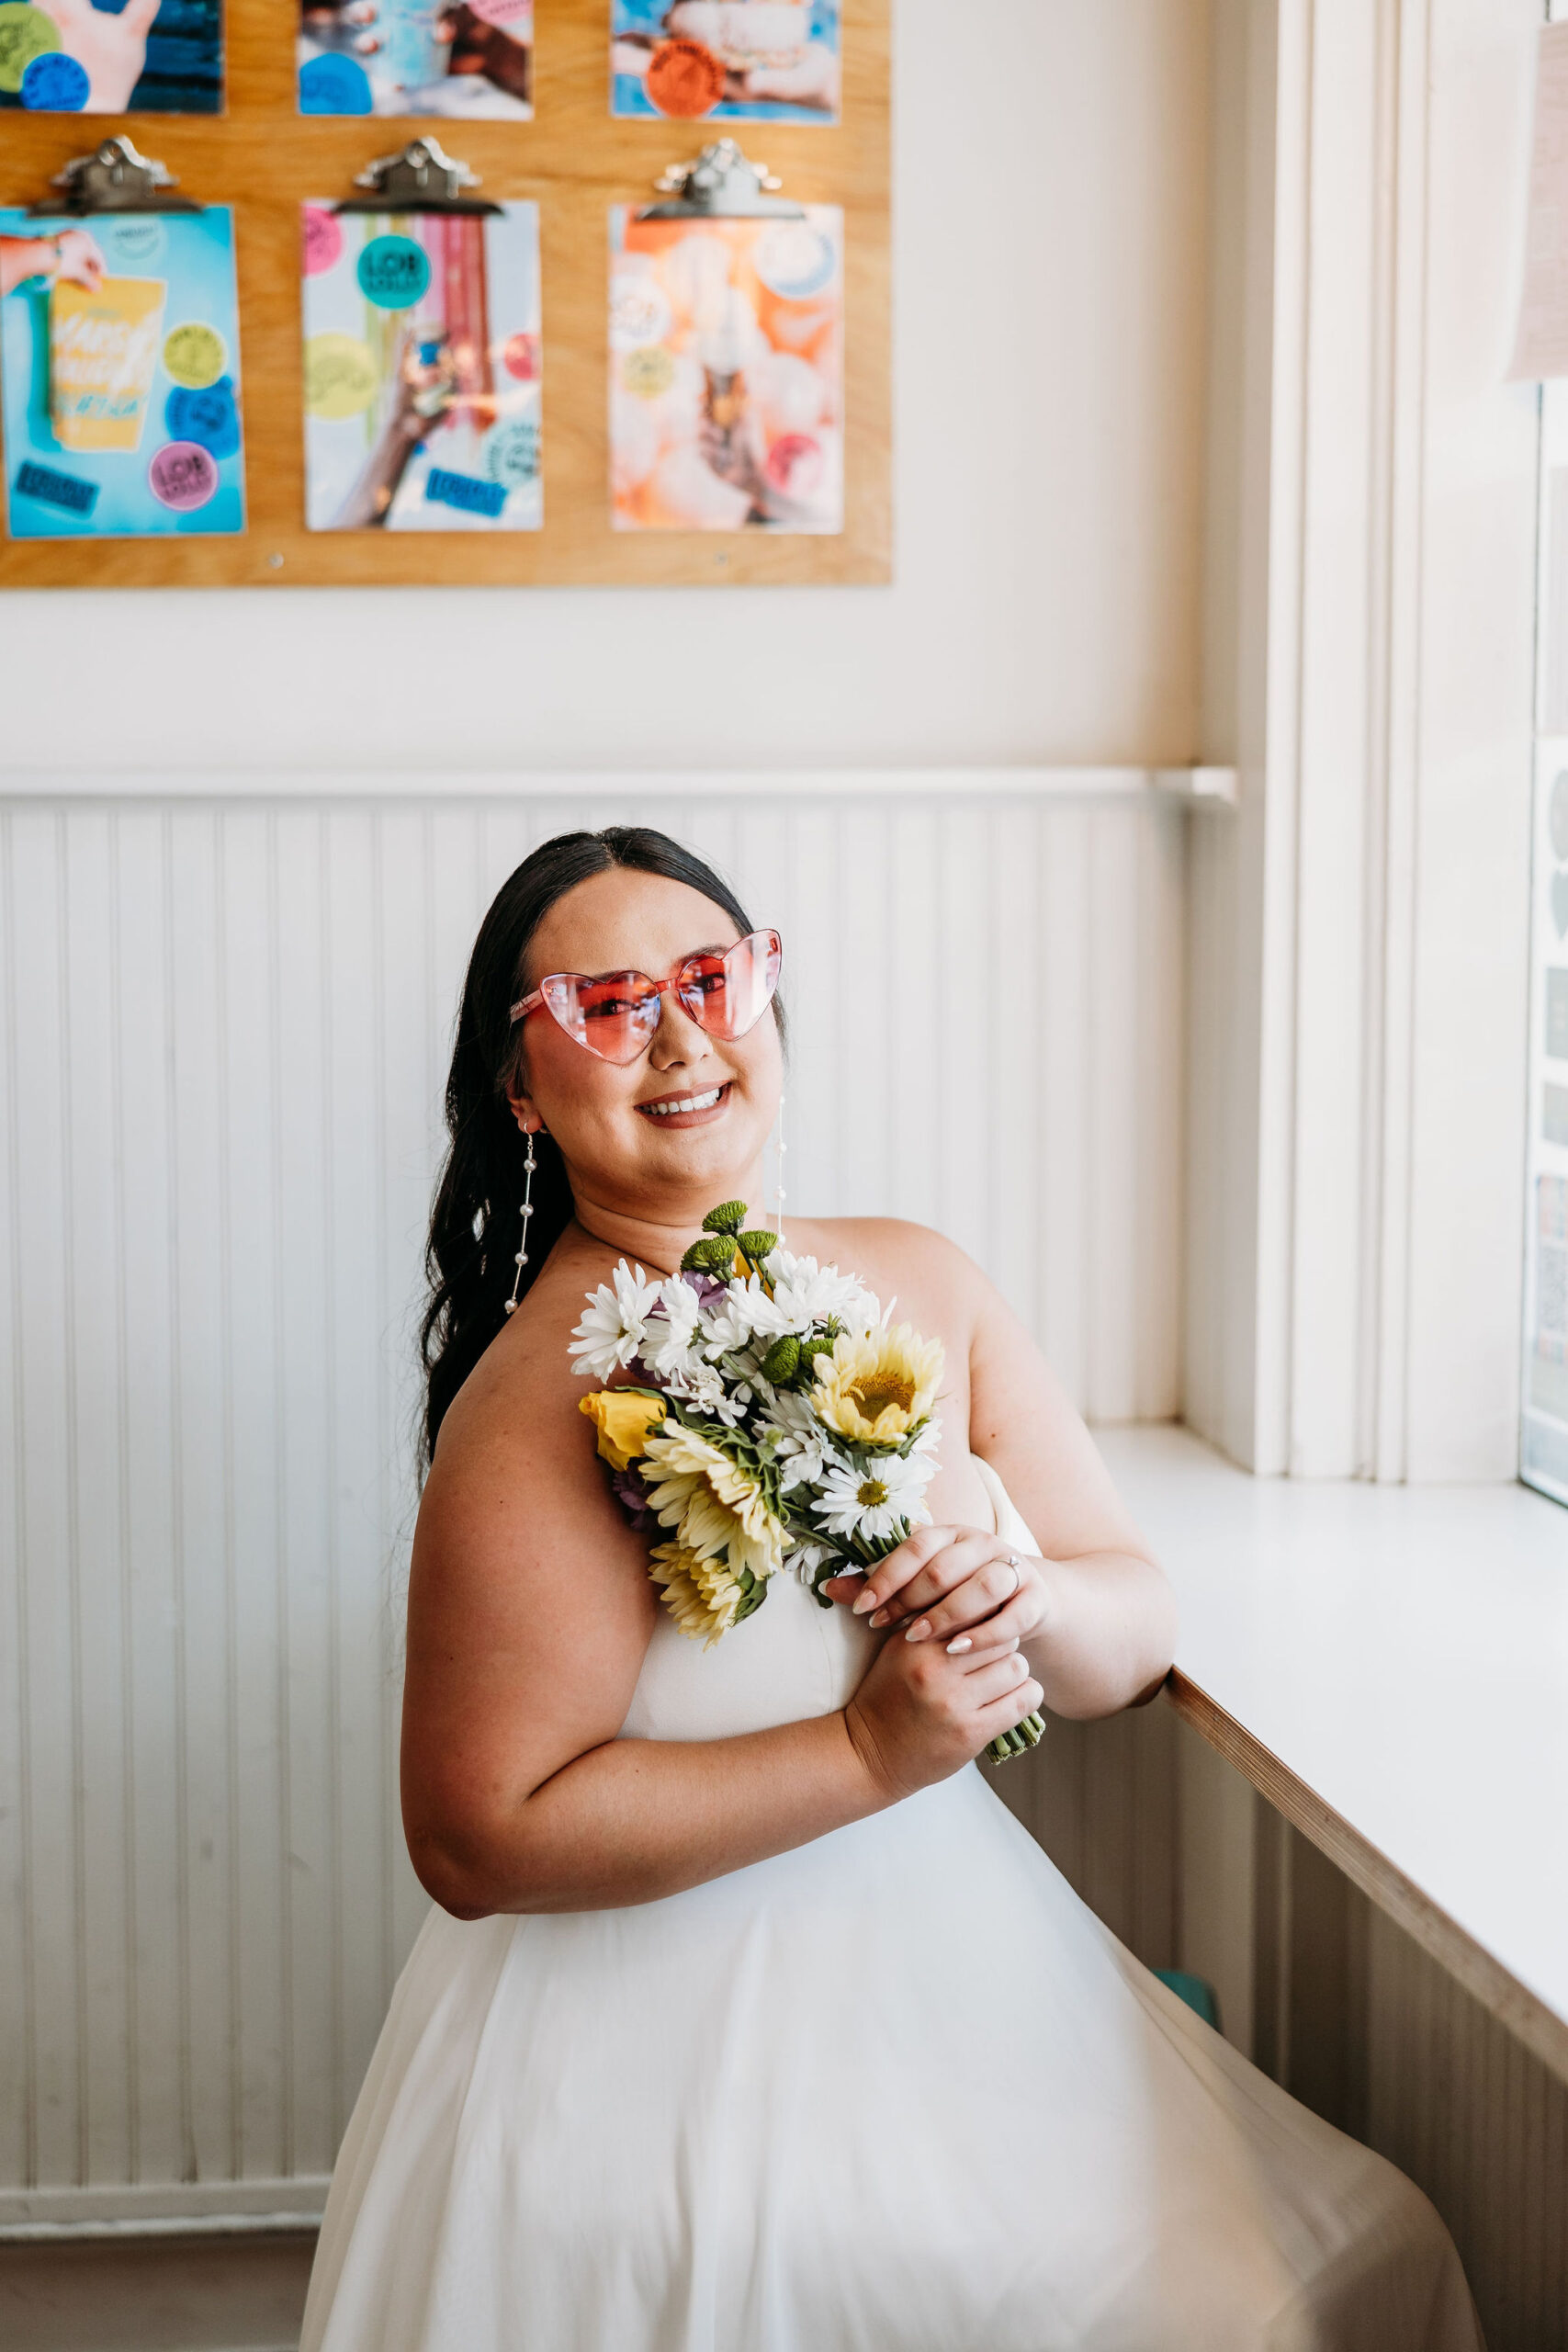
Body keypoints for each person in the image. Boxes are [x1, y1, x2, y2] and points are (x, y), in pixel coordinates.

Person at [301, 826, 1484, 2351]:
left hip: (961, 1973)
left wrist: (1027, 1604)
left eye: (715, 979)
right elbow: (478, 1837)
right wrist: (876, 1750)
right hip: (663, 2052)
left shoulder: (919, 1277)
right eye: (605, 1004)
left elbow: (1129, 1627)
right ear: (523, 1093)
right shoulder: (537, 1408)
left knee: (1353, 2256)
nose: (680, 1036)